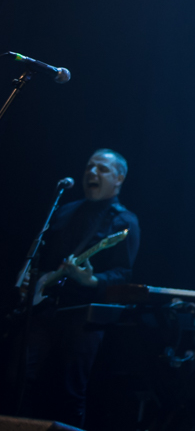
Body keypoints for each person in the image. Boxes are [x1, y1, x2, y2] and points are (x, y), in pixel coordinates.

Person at [20, 148, 140, 427]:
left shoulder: (124, 221)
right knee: (20, 377)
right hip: (45, 309)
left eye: (102, 169)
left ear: (119, 179)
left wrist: (92, 280)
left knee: (69, 390)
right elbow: (43, 256)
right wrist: (30, 277)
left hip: (83, 316)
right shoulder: (65, 210)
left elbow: (122, 273)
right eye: (89, 167)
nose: (92, 172)